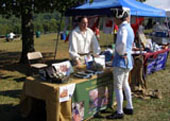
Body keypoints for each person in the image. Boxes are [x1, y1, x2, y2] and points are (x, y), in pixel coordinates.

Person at [106, 7, 134, 119]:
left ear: (118, 18)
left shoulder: (122, 29)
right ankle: (129, 107)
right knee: (125, 84)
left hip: (121, 61)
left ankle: (119, 111)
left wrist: (119, 52)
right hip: (127, 61)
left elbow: (122, 43)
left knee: (118, 87)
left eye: (114, 17)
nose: (113, 20)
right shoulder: (129, 27)